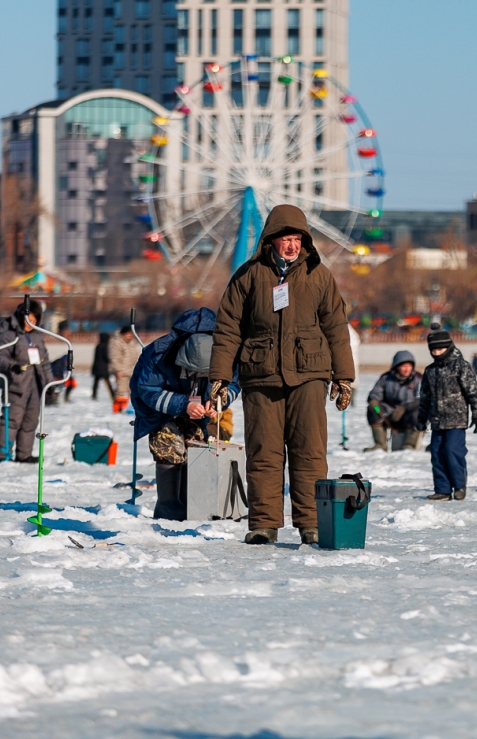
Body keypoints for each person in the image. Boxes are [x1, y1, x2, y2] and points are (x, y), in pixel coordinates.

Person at [208, 204, 355, 546]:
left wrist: (343, 377)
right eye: (285, 238)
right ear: (270, 240)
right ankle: (263, 524)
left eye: (297, 238)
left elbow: (336, 326)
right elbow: (228, 327)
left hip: (309, 374)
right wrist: (218, 375)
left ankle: (312, 524)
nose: (292, 245)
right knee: (264, 453)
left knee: (310, 452)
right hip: (261, 376)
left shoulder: (319, 275)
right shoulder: (248, 276)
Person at [131, 308, 241, 521]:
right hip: (159, 413)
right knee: (169, 443)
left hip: (198, 416)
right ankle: (168, 506)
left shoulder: (225, 352)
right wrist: (183, 404)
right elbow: (146, 389)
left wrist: (216, 400)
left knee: (197, 448)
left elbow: (234, 383)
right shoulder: (158, 354)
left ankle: (188, 502)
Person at [417, 323, 477, 501]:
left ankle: (459, 485)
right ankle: (443, 489)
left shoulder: (461, 366)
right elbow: (424, 398)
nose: (437, 352)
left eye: (440, 349)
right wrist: (421, 419)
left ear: (448, 346)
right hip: (437, 420)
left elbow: (473, 392)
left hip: (456, 419)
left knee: (453, 451)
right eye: (433, 350)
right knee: (437, 454)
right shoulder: (430, 370)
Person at [0, 302, 53, 463]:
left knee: (30, 420)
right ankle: (3, 455)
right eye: (27, 319)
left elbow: (44, 362)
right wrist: (13, 366)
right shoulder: (8, 335)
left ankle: (24, 454)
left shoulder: (37, 337)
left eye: (33, 319)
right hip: (15, 385)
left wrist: (49, 383)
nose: (29, 323)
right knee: (12, 420)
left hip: (35, 385)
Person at [365, 350, 423, 452]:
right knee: (373, 409)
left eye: (409, 366)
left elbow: (422, 398)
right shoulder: (386, 378)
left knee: (418, 413)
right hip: (388, 413)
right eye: (403, 366)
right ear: (396, 366)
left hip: (409, 415)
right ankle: (380, 445)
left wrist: (404, 407)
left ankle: (409, 445)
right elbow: (376, 392)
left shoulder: (418, 379)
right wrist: (374, 400)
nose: (407, 369)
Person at [109, 326, 141, 400]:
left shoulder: (131, 343)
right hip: (122, 372)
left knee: (133, 391)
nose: (130, 335)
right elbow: (115, 358)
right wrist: (118, 370)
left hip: (132, 371)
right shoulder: (117, 343)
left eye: (131, 334)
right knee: (121, 392)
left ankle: (129, 409)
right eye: (128, 334)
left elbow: (135, 356)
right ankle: (119, 409)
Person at [91, 332, 116, 400]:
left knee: (96, 383)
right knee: (108, 382)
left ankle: (94, 395)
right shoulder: (105, 346)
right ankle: (113, 395)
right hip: (103, 368)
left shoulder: (98, 346)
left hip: (97, 367)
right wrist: (111, 361)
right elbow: (106, 357)